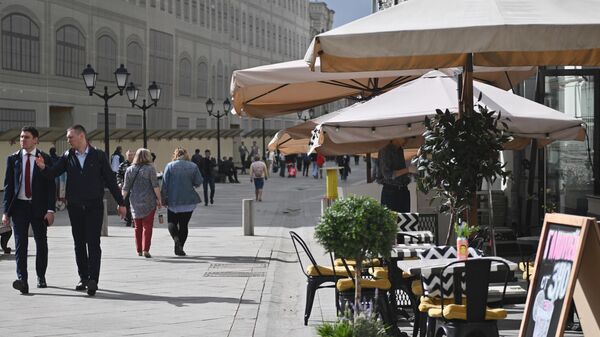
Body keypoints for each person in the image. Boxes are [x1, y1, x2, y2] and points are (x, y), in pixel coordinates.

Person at [35, 124, 126, 296]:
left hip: (94, 206)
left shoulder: (99, 156)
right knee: (78, 243)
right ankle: (83, 277)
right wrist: (43, 168)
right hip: (75, 207)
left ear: (81, 136)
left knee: (93, 242)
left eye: (70, 137)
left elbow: (110, 180)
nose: (68, 140)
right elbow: (53, 173)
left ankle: (93, 279)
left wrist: (121, 203)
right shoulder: (68, 156)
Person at [3, 126, 56, 294]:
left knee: (41, 243)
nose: (22, 140)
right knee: (20, 244)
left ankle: (41, 275)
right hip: (19, 207)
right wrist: (6, 212)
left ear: (36, 140)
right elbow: (8, 187)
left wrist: (50, 210)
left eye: (26, 137)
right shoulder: (13, 160)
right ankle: (22, 280)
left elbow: (50, 186)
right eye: (21, 137)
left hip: (39, 208)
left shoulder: (44, 158)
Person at [161, 148, 203, 256]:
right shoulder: (193, 166)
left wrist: (163, 198)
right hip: (188, 200)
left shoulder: (170, 166)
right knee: (184, 225)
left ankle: (176, 241)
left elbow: (164, 184)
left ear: (175, 155)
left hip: (173, 199)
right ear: (186, 155)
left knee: (172, 222)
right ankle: (180, 247)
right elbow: (198, 182)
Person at [122, 148, 161, 258]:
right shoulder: (150, 169)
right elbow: (155, 185)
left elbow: (125, 188)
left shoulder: (129, 170)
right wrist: (159, 199)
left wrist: (121, 201)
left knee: (137, 227)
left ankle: (138, 250)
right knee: (147, 227)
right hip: (149, 201)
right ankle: (146, 249)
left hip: (134, 201)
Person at [377, 139, 411, 212]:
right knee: (392, 220)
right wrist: (408, 170)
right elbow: (388, 174)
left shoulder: (400, 150)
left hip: (403, 189)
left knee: (405, 219)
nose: (406, 140)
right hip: (391, 191)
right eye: (405, 138)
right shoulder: (385, 150)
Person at [117, 150, 135, 227]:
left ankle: (134, 220)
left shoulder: (136, 164)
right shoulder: (122, 165)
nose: (130, 156)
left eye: (132, 155)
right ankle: (128, 219)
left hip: (135, 188)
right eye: (129, 155)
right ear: (126, 156)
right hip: (126, 188)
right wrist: (119, 183)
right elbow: (118, 175)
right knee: (126, 204)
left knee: (134, 204)